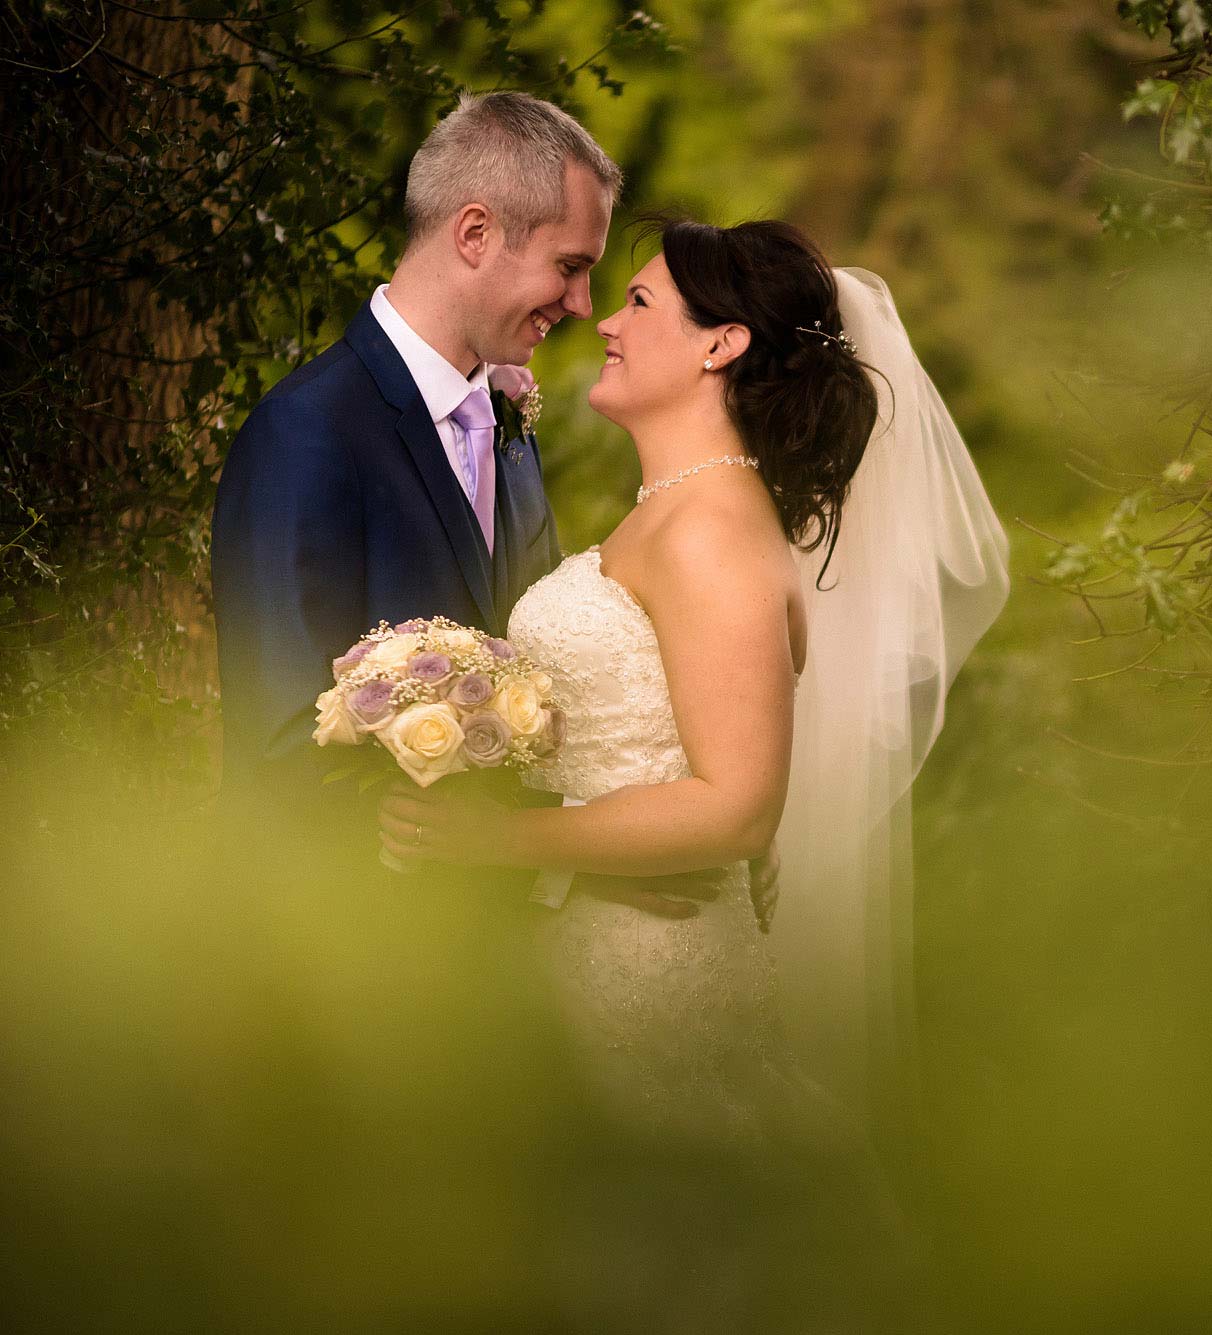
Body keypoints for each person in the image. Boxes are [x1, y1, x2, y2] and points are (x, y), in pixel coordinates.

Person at [374, 216, 1010, 1143]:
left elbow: (736, 807)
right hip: (596, 951)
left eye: (638, 302)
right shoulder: (673, 516)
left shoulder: (711, 531)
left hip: (646, 983)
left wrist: (492, 839)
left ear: (722, 342)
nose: (605, 324)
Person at [210, 91, 618, 880]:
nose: (582, 305)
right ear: (475, 233)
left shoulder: (509, 426)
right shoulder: (308, 429)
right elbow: (283, 737)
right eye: (570, 266)